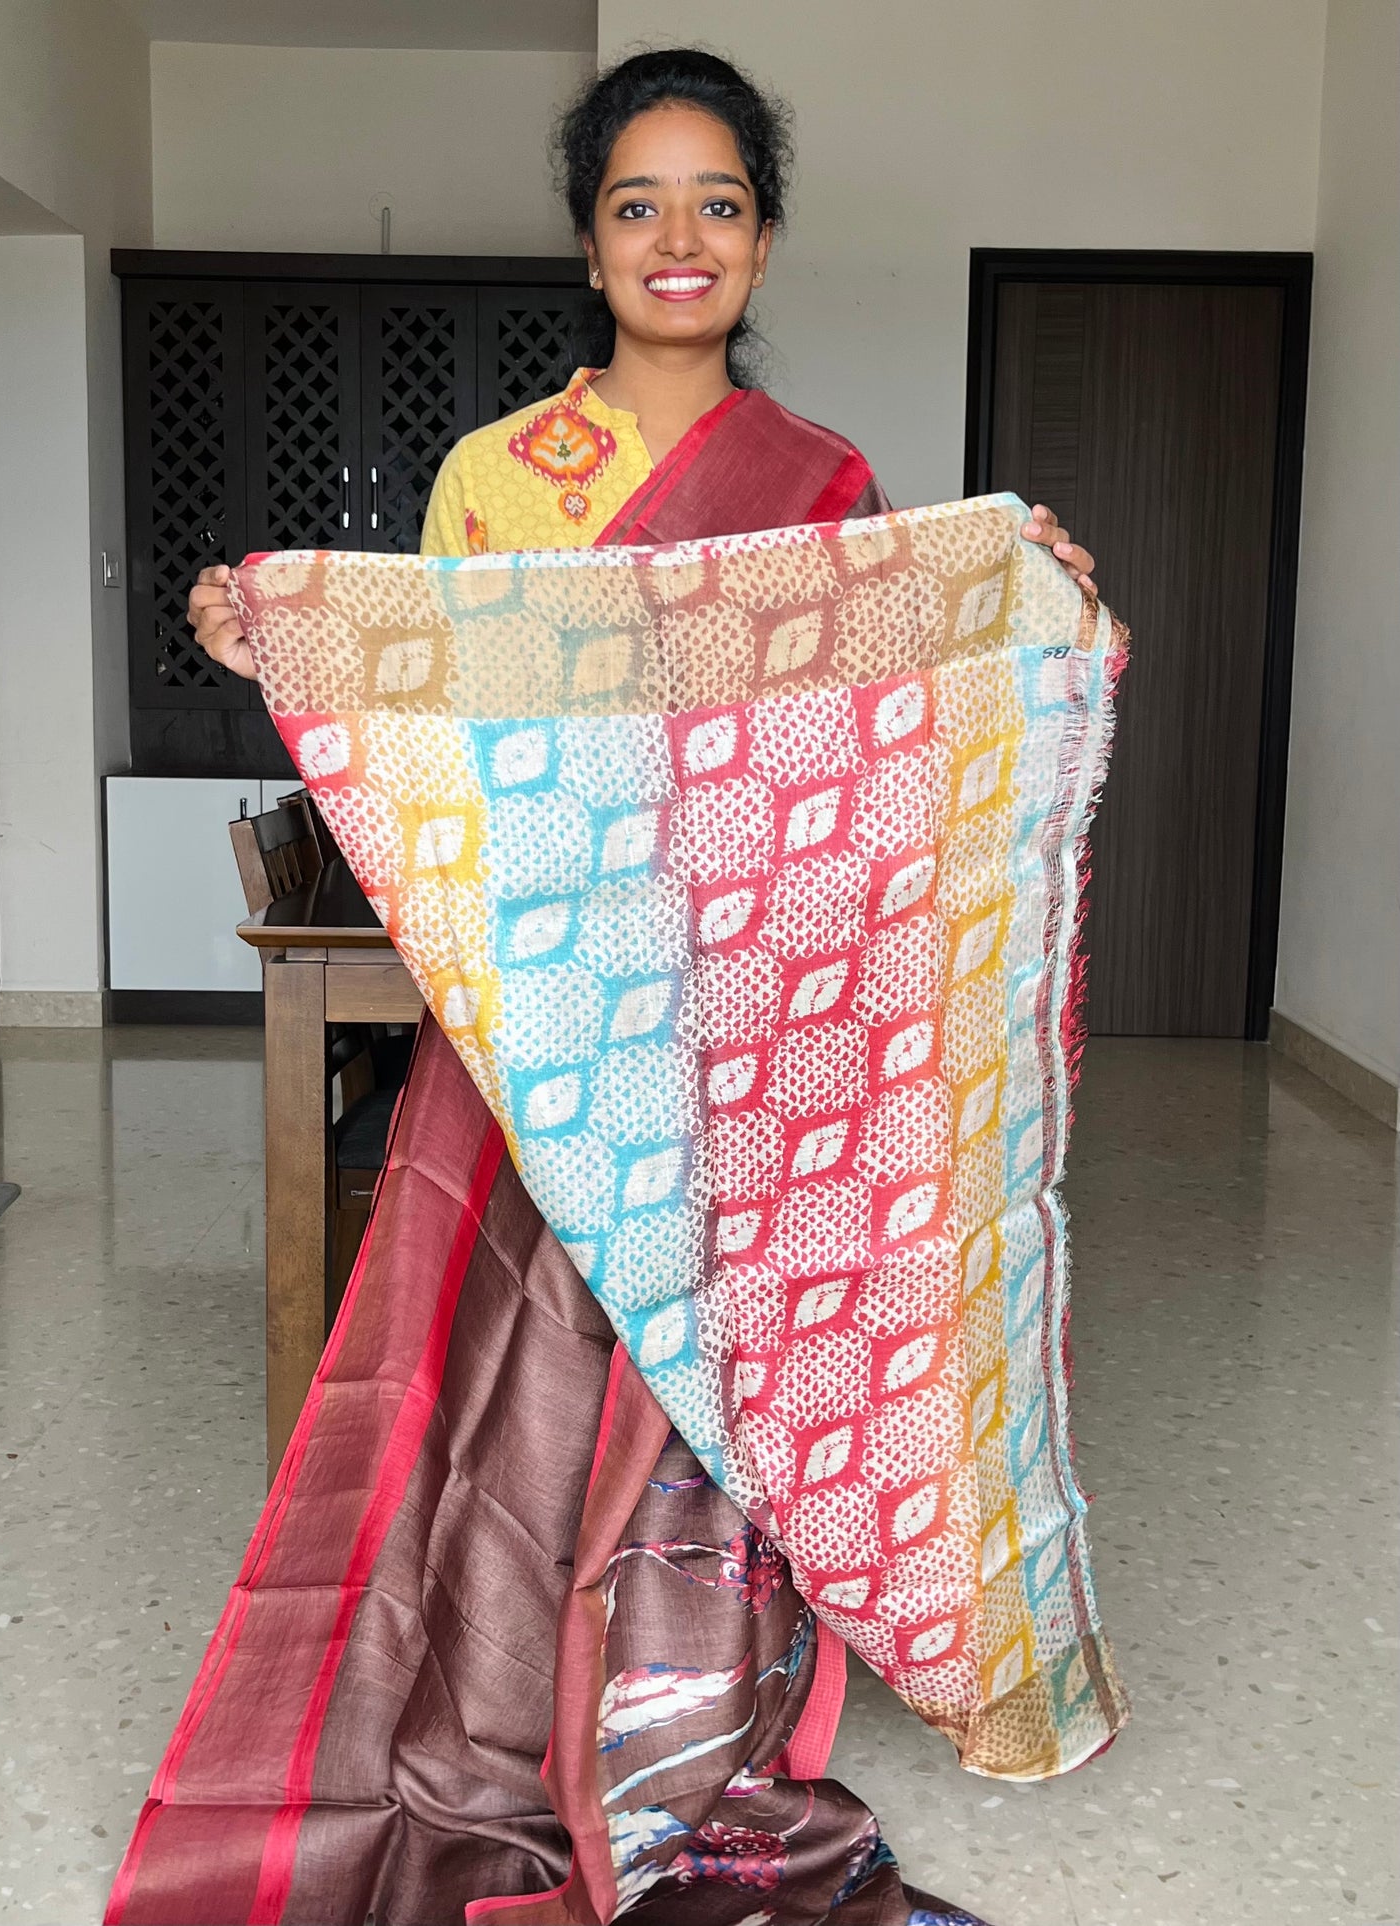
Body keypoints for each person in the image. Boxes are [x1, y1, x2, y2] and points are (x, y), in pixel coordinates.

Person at [131, 49, 1101, 1926]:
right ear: (588, 241)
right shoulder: (500, 478)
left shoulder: (824, 491)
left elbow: (878, 763)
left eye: (718, 203)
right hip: (532, 1033)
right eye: (639, 204)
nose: (680, 239)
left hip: (738, 1046)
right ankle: (499, 1729)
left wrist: (1013, 600)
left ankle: (680, 1743)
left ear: (760, 236)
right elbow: (425, 740)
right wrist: (281, 633)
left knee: (699, 1411)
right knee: (517, 1399)